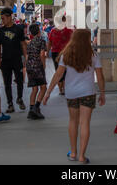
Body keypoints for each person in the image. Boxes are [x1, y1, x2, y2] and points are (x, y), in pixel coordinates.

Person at [43, 29, 105, 164]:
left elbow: (58, 75)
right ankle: (82, 156)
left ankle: (73, 152)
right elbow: (100, 76)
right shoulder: (93, 55)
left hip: (71, 93)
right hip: (88, 92)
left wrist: (48, 92)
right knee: (84, 123)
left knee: (73, 121)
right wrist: (102, 93)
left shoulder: (66, 55)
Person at [0, 7, 28, 113]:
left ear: (10, 17)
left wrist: (25, 57)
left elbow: (23, 44)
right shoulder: (0, 30)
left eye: (4, 18)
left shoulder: (18, 29)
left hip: (17, 59)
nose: (2, 20)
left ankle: (19, 98)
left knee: (19, 81)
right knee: (7, 83)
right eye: (1, 18)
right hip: (5, 60)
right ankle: (10, 104)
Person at [47, 15, 73, 95]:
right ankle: (65, 88)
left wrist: (47, 52)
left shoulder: (53, 31)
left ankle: (61, 89)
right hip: (66, 52)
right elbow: (73, 42)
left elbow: (50, 42)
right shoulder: (69, 30)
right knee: (66, 70)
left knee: (58, 70)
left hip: (56, 53)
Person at [26, 23, 47, 119]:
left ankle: (31, 109)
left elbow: (27, 56)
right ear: (39, 31)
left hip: (30, 66)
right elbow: (42, 54)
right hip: (37, 66)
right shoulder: (41, 41)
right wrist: (43, 64)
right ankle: (36, 107)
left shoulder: (30, 43)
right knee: (43, 87)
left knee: (34, 89)